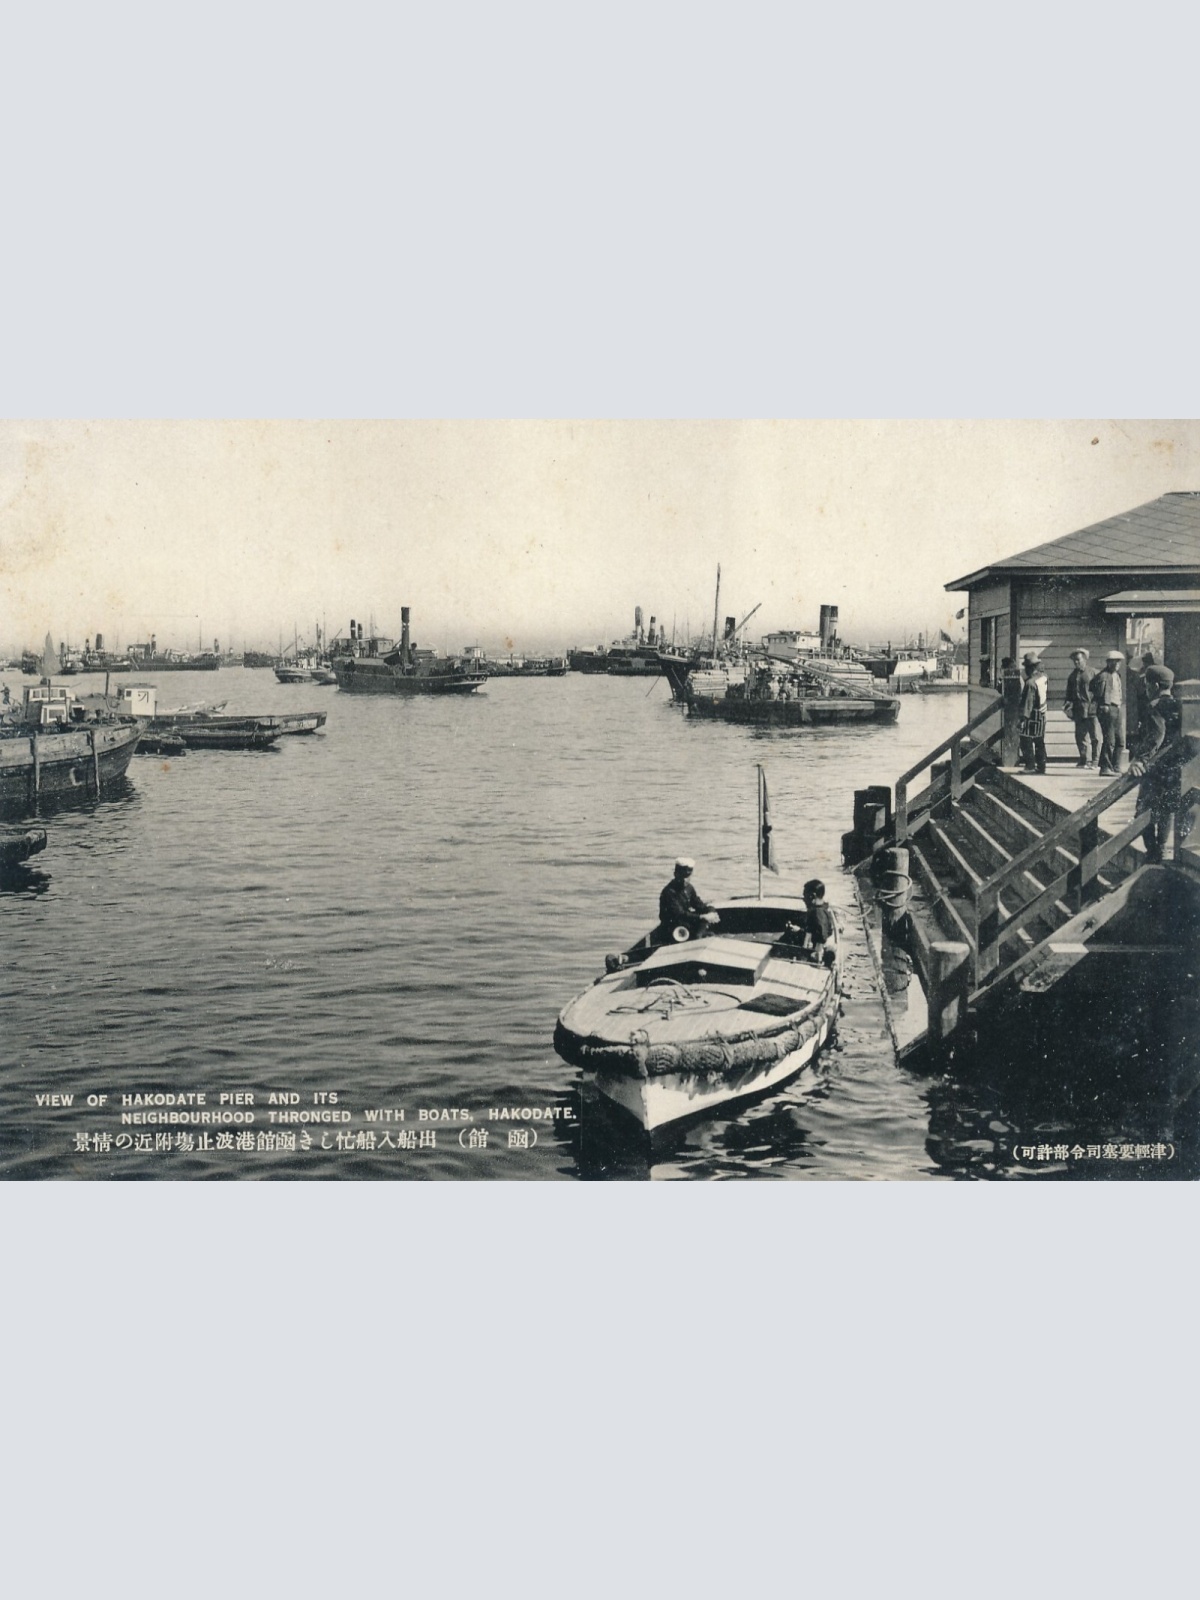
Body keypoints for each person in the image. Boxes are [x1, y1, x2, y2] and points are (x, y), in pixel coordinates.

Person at [1128, 666, 1184, 863]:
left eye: (1147, 684)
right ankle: (1159, 849)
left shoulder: (1155, 705)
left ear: (1156, 685)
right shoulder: (1178, 705)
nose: (1145, 688)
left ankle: (1152, 852)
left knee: (1143, 810)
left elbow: (1156, 736)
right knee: (1166, 810)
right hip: (1174, 768)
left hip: (1156, 768)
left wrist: (1140, 758)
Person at [657, 858, 720, 942]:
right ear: (675, 874)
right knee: (702, 921)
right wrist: (702, 917)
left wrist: (711, 912)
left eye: (687, 876)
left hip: (685, 921)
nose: (684, 880)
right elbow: (679, 914)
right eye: (681, 876)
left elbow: (699, 905)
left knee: (707, 916)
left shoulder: (689, 888)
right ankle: (698, 938)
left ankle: (699, 936)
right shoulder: (669, 892)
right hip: (672, 926)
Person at [1062, 647, 1099, 768]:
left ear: (1085, 659)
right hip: (1078, 709)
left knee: (1095, 736)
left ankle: (1095, 760)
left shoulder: (1093, 673)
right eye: (1074, 660)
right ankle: (1084, 759)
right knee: (1080, 736)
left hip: (1092, 709)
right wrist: (1067, 706)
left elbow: (1100, 692)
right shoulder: (1072, 676)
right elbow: (1069, 694)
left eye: (1078, 660)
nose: (1076, 662)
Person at [1091, 649, 1125, 775]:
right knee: (1109, 739)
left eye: (1118, 662)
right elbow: (1096, 689)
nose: (1116, 664)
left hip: (1117, 707)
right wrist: (1104, 705)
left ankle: (1116, 765)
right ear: (1108, 662)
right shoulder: (1103, 676)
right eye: (1113, 662)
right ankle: (1105, 767)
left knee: (1120, 739)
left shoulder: (1117, 675)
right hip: (1107, 708)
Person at [1018, 652, 1048, 774]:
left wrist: (1023, 719)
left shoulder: (1030, 683)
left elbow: (1027, 703)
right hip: (1041, 713)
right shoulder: (1044, 677)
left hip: (1031, 715)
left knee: (1025, 739)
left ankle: (1029, 765)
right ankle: (1041, 766)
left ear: (1030, 667)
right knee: (1039, 741)